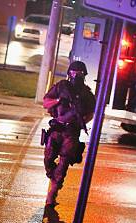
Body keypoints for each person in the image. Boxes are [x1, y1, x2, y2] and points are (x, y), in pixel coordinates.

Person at [42, 61, 96, 206]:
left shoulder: (87, 93)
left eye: (80, 73)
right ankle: (52, 177)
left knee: (63, 164)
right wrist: (59, 100)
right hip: (56, 129)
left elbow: (91, 112)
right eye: (74, 72)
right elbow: (46, 102)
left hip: (71, 132)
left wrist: (81, 120)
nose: (76, 75)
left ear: (84, 75)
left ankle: (52, 194)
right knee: (48, 159)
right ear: (69, 73)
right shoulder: (61, 86)